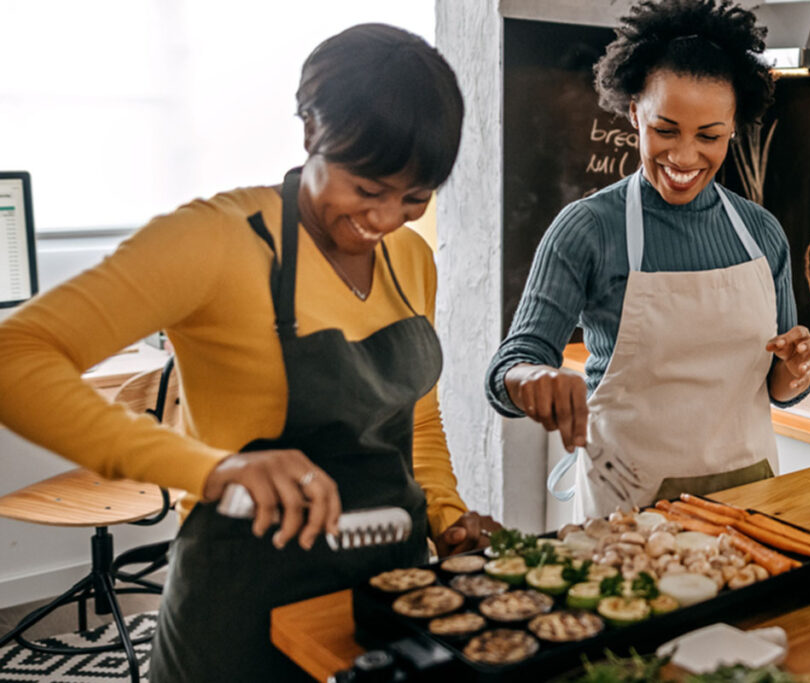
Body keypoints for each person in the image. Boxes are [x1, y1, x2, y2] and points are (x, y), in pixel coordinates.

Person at [0, 24, 497, 682]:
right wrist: (208, 468)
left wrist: (447, 516)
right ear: (311, 132)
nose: (383, 220)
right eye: (368, 189)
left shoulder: (411, 258)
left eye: (415, 198)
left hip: (387, 589)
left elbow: (418, 423)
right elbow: (18, 355)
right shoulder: (217, 240)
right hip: (241, 604)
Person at [486, 0, 810, 519]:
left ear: (734, 127)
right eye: (665, 130)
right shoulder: (588, 229)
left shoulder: (761, 233)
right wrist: (533, 379)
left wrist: (796, 370)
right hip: (629, 514)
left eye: (709, 136)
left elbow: (779, 389)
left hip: (749, 508)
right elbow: (508, 368)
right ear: (634, 111)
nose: (685, 157)